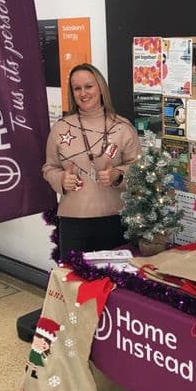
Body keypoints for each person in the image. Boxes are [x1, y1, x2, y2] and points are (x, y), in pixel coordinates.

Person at [43, 63, 141, 259]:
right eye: (77, 88)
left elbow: (138, 169)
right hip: (73, 223)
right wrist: (61, 179)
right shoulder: (61, 128)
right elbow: (49, 167)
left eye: (89, 86)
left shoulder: (122, 127)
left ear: (100, 88)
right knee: (75, 283)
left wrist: (118, 175)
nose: (83, 93)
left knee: (113, 283)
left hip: (115, 220)